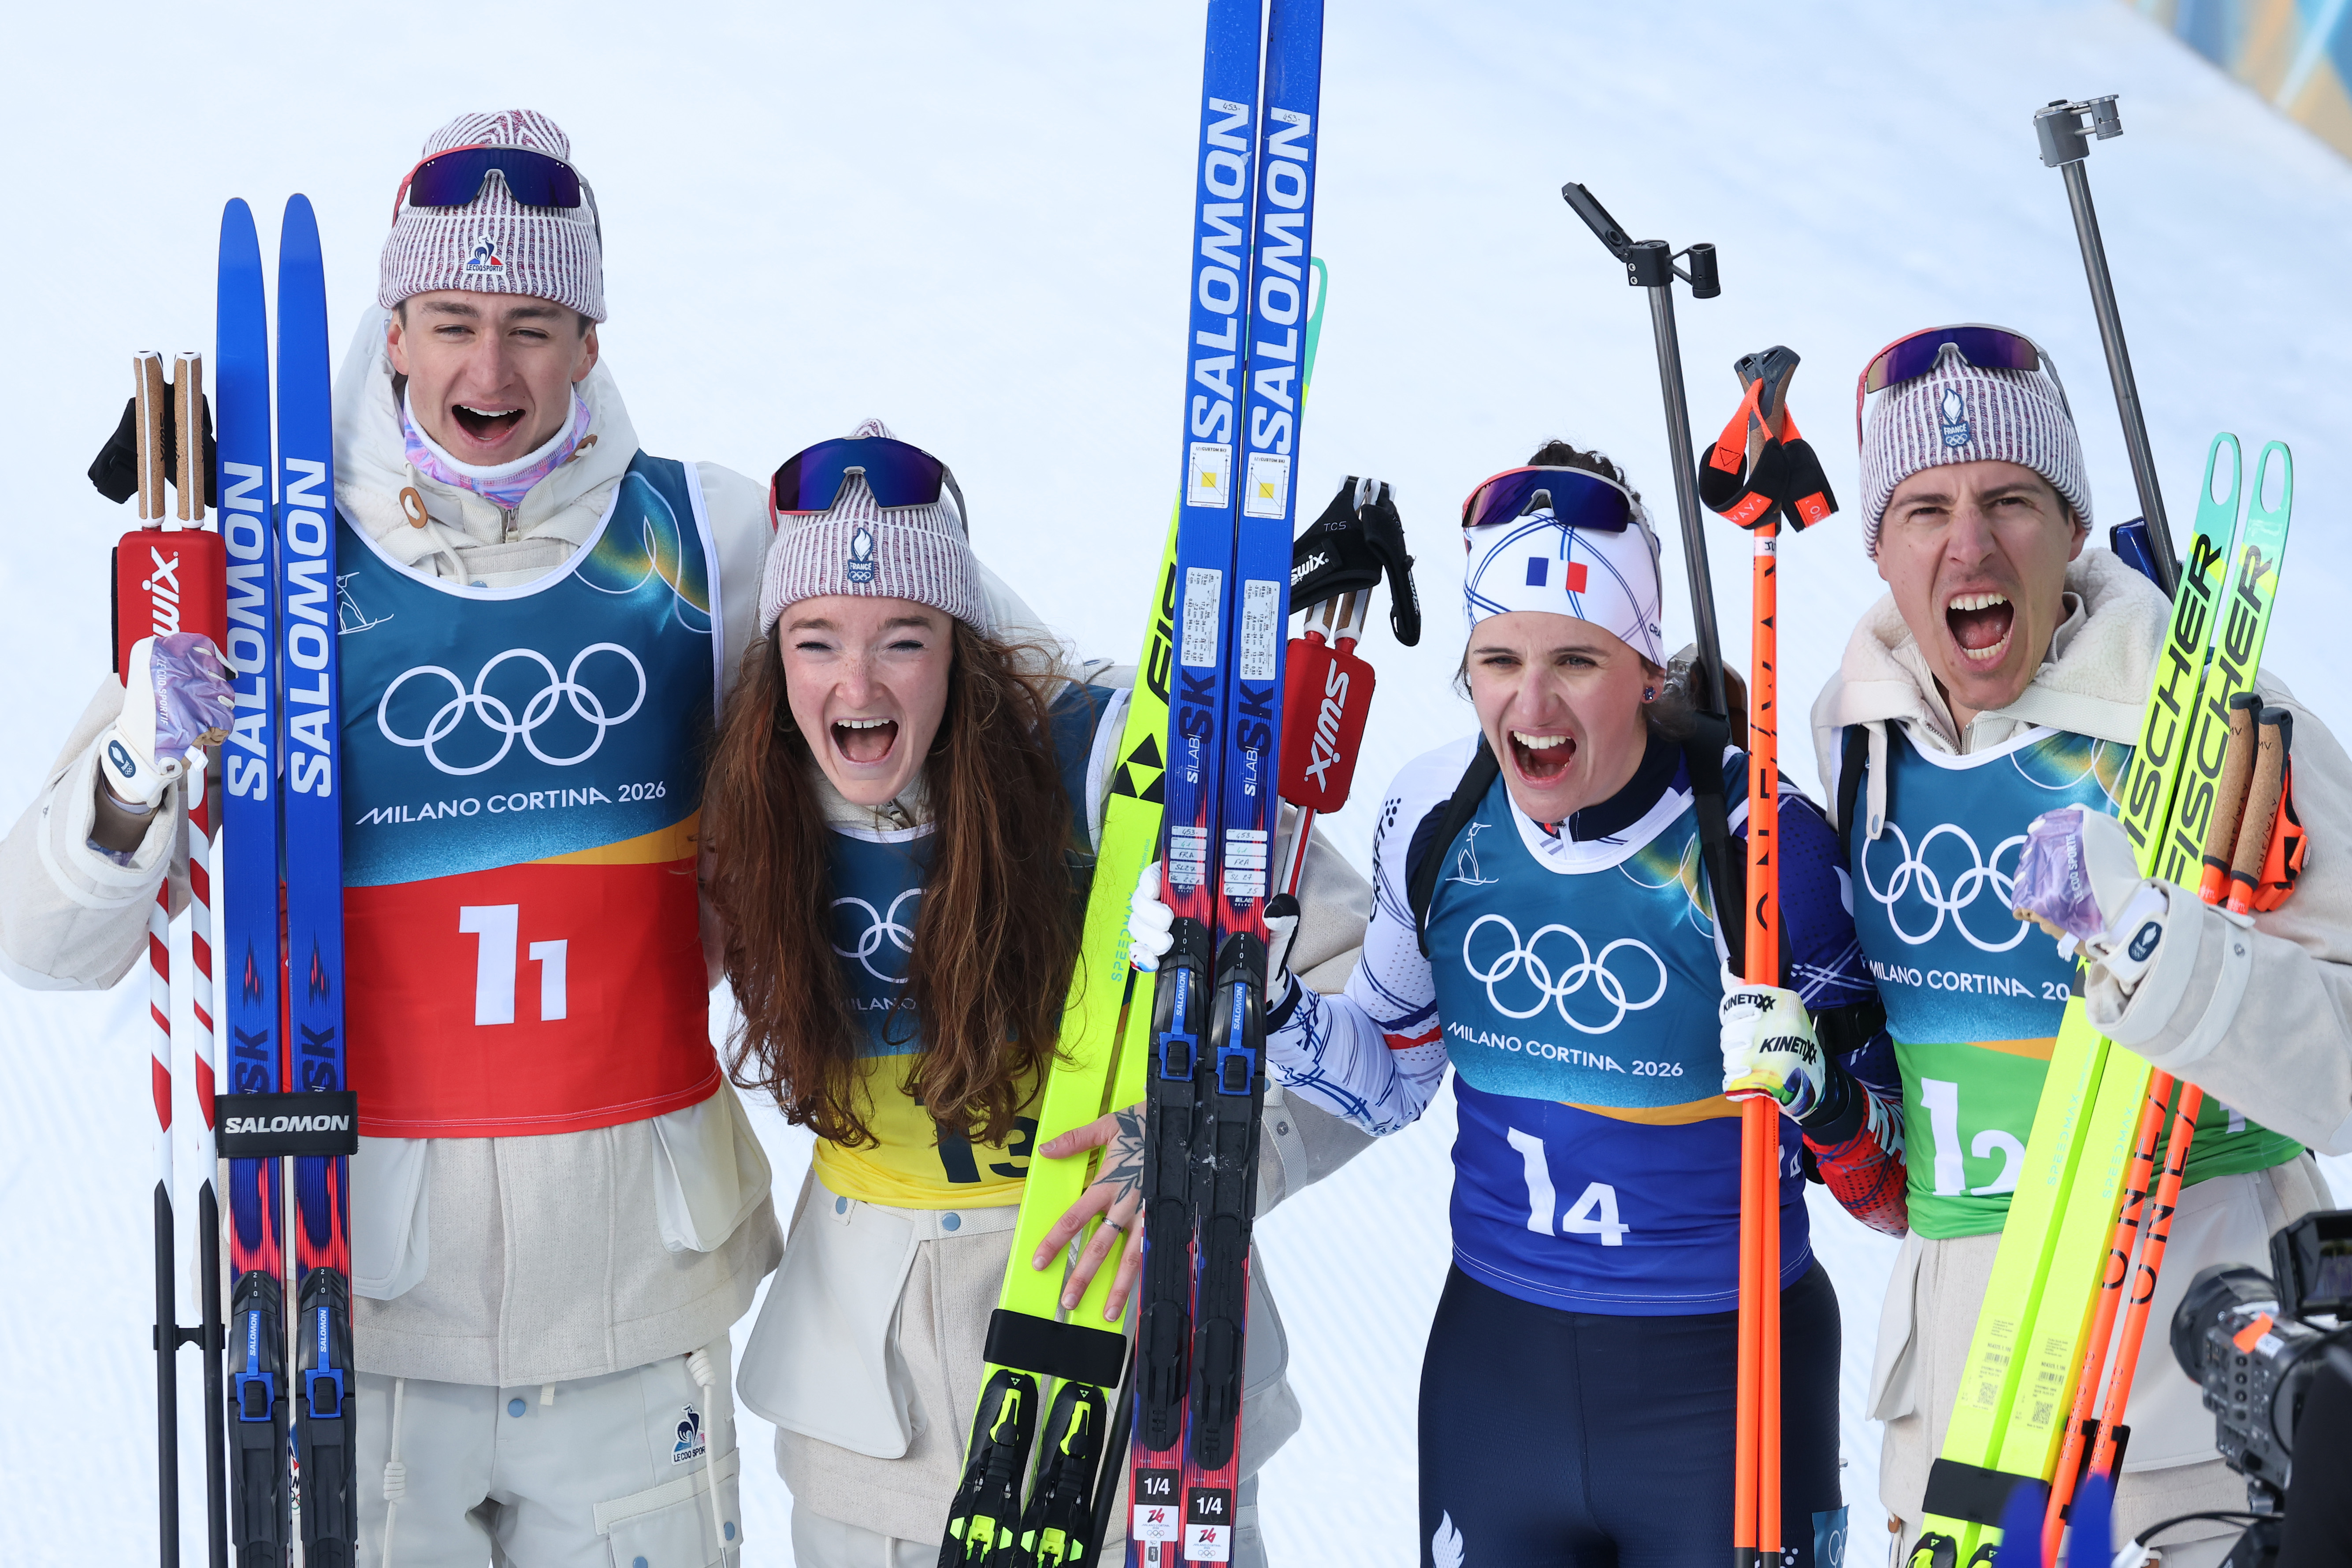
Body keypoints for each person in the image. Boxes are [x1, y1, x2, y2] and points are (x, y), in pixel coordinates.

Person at [3, 110, 784, 1565]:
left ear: (591, 341)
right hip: (349, 1314)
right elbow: (42, 936)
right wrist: (140, 758)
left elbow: (952, 663)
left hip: (633, 1303)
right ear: (396, 327)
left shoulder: (708, 538)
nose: (491, 371)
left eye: (534, 325)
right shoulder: (267, 566)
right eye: (453, 321)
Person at [1129, 442, 1906, 1567]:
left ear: (1643, 667)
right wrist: (1265, 998)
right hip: (1498, 1373)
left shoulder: (1754, 844)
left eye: (1576, 662)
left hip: (1727, 1378)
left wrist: (1819, 1094)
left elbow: (1889, 1195)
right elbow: (1392, 1081)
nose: (1530, 704)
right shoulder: (1436, 812)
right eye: (1497, 660)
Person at [701, 428, 1379, 1568]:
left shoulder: (1106, 759)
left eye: (903, 638)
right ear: (777, 658)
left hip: (1136, 1363)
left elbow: (1349, 970)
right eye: (817, 641)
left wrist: (1210, 1149)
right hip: (875, 1408)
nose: (857, 684)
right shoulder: (748, 797)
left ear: (960, 646)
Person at [1812, 324, 2352, 1566]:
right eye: (1924, 508)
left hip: (2198, 1425)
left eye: (2011, 498)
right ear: (1883, 551)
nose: (1970, 543)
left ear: (2069, 525)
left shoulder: (2221, 723)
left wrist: (2160, 948)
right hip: (1964, 1426)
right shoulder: (1856, 735)